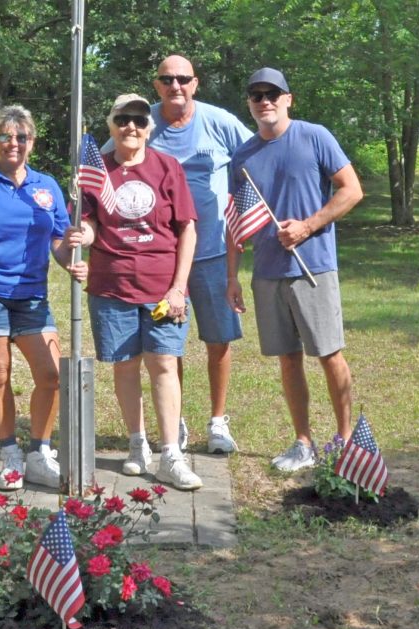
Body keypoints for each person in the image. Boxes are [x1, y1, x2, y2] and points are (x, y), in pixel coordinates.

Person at [226, 67, 364, 471]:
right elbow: (234, 220)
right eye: (256, 95)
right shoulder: (244, 156)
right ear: (249, 103)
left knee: (329, 354)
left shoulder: (314, 136)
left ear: (289, 98)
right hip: (267, 273)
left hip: (313, 268)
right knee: (288, 359)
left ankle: (343, 442)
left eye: (273, 93)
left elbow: (351, 189)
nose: (264, 101)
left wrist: (307, 226)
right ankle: (303, 442)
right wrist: (233, 276)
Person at [0, 105, 87, 491]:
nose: (14, 143)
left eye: (21, 137)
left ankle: (39, 452)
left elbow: (59, 241)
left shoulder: (47, 187)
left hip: (31, 296)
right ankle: (9, 453)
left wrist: (71, 260)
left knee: (51, 375)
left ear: (32, 142)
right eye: (5, 136)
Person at [76, 93, 202, 491]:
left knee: (164, 364)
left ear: (149, 126)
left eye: (139, 119)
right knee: (125, 365)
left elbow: (187, 228)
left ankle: (171, 455)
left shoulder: (167, 168)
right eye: (122, 119)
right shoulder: (96, 172)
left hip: (163, 289)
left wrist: (180, 287)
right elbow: (92, 222)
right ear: (111, 126)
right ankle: (137, 443)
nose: (131, 126)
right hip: (111, 286)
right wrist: (86, 233)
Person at [147, 55, 253, 456]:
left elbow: (254, 154)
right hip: (162, 255)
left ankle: (218, 421)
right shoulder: (145, 121)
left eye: (183, 79)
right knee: (166, 344)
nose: (176, 86)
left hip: (211, 252)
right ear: (157, 85)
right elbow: (108, 161)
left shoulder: (217, 121)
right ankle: (175, 421)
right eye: (167, 79)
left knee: (219, 339)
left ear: (196, 83)